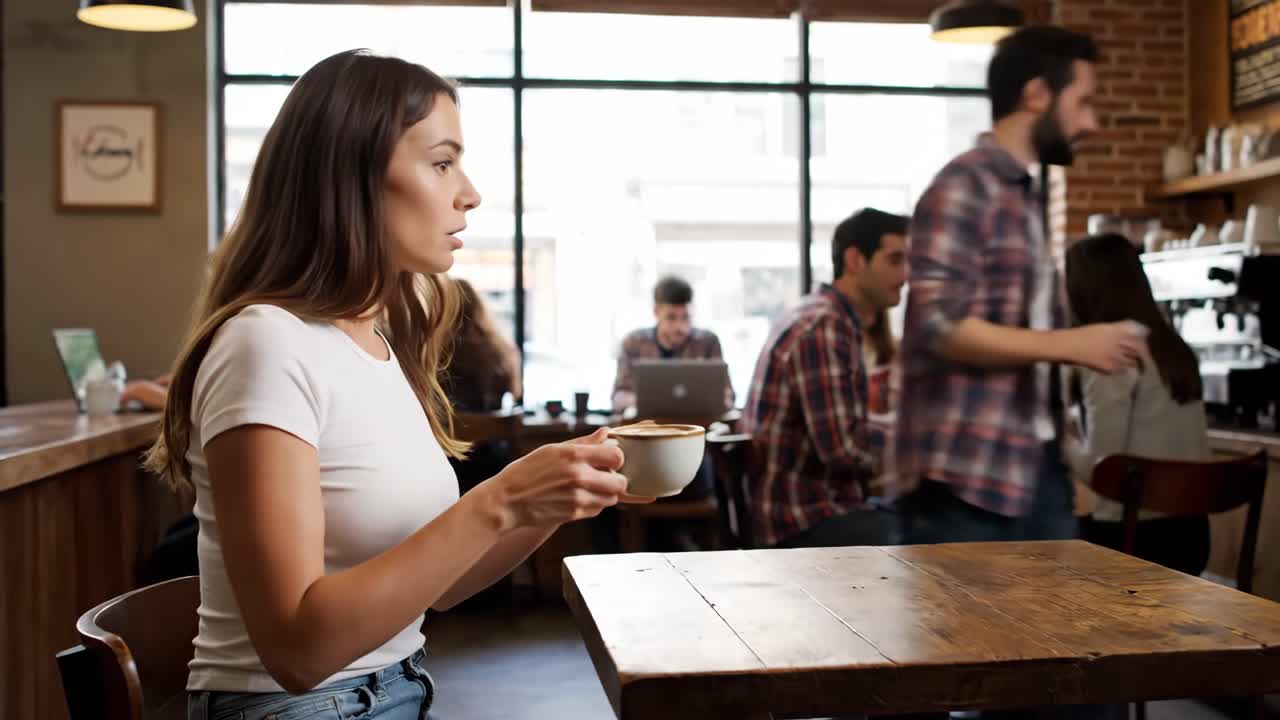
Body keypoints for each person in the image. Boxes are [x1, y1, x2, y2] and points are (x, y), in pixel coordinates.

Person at [144, 49, 650, 720]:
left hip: (397, 689)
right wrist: (498, 501)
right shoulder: (265, 343)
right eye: (442, 163)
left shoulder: (378, 341)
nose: (469, 192)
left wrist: (552, 495)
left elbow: (440, 588)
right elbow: (296, 652)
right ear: (350, 176)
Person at [891, 26, 1148, 546]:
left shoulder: (1025, 196)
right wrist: (1073, 345)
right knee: (965, 631)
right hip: (966, 477)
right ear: (1037, 94)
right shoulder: (964, 186)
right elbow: (940, 327)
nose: (1092, 124)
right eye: (1083, 102)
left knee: (1055, 629)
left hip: (1033, 467)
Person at [742, 208, 908, 549]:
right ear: (855, 259)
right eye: (895, 260)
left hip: (806, 511)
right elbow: (843, 451)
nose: (905, 275)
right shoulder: (826, 326)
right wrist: (920, 446)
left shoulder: (818, 313)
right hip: (803, 522)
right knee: (937, 534)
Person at [1064, 233, 1211, 576]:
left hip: (1133, 545)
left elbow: (1104, 472)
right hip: (1192, 538)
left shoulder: (1111, 354)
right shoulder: (1174, 346)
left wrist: (1062, 439)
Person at [611, 275, 732, 414]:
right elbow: (619, 398)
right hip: (647, 428)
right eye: (671, 317)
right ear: (656, 311)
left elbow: (727, 395)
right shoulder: (633, 342)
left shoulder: (708, 342)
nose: (680, 327)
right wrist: (658, 401)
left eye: (686, 317)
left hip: (698, 425)